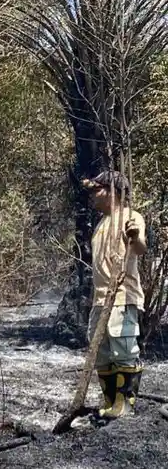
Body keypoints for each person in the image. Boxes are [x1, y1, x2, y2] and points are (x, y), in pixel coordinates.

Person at [83, 170, 148, 419]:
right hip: (100, 299)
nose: (92, 195)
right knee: (100, 352)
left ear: (113, 192)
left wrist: (135, 236)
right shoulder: (102, 223)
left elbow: (140, 248)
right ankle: (110, 401)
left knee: (124, 350)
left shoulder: (131, 217)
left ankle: (125, 403)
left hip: (121, 297)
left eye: (96, 190)